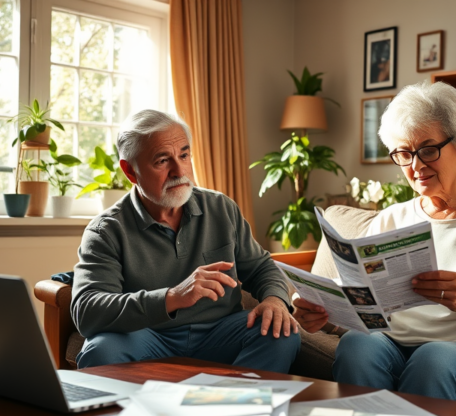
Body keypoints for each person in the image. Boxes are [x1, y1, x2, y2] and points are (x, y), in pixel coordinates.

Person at [293, 81, 456, 400]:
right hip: (392, 342)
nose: (415, 166)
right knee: (356, 345)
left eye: (428, 150)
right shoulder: (390, 218)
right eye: (403, 153)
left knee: (432, 360)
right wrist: (327, 318)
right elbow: (368, 309)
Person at [72, 110, 300, 372]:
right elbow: (87, 311)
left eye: (184, 155)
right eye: (162, 161)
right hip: (146, 336)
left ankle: (235, 409)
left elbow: (261, 268)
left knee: (281, 333)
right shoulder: (106, 230)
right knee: (101, 351)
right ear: (130, 171)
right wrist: (172, 297)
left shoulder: (221, 207)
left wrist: (275, 299)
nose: (179, 171)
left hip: (220, 333)